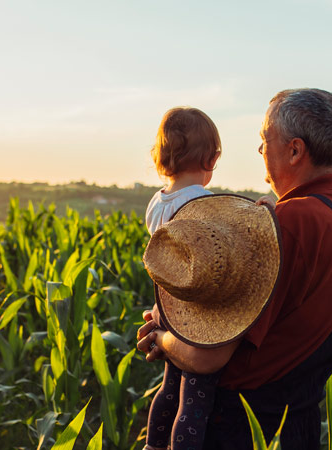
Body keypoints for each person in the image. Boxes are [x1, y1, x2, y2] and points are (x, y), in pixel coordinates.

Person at [138, 88, 332, 449]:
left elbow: (207, 357)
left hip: (239, 428)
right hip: (294, 427)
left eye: (265, 141)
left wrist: (162, 339)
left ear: (294, 150)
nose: (261, 152)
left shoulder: (284, 227)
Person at [143, 106, 223, 450]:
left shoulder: (156, 203)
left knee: (169, 387)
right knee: (195, 398)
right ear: (212, 158)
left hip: (164, 305)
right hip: (192, 315)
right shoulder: (202, 203)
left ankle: (153, 445)